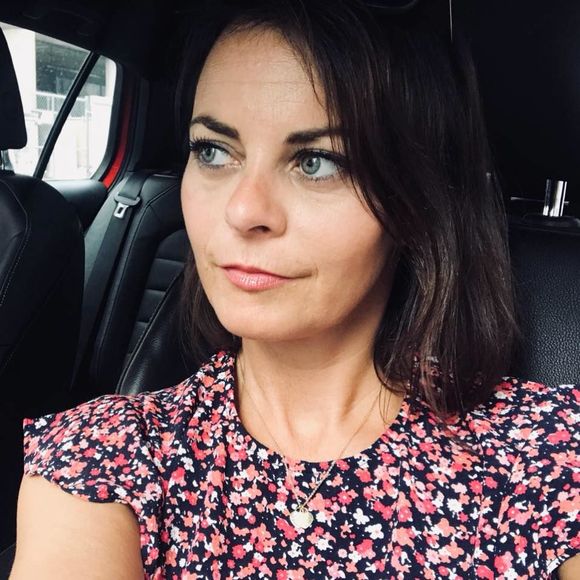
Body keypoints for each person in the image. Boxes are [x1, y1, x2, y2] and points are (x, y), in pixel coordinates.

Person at [9, 0, 579, 578]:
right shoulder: (103, 454)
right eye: (213, 151)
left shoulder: (546, 451)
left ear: (414, 203)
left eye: (316, 162)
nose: (242, 211)